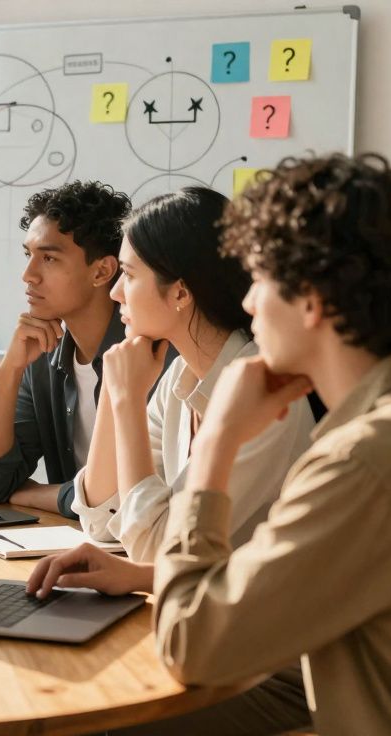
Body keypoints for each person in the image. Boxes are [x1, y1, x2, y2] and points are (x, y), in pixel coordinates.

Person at [29, 153, 391, 734]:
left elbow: (191, 642)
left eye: (261, 281)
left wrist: (217, 443)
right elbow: (125, 528)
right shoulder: (376, 432)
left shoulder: (360, 459)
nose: (249, 302)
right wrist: (137, 573)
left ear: (311, 299)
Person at [71, 187, 313, 562]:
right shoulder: (181, 375)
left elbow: (155, 548)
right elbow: (102, 520)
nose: (116, 292)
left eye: (130, 276)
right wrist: (113, 393)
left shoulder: (266, 397)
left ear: (181, 292)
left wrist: (127, 399)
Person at [0, 181, 150, 518]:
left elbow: (122, 503)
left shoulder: (147, 359)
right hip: (74, 547)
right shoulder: (42, 356)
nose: (28, 275)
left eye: (48, 258)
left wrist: (36, 494)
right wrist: (9, 371)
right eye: (28, 255)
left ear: (102, 270)